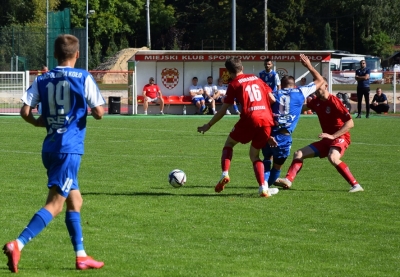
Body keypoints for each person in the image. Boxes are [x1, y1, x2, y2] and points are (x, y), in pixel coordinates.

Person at [3, 34, 105, 273]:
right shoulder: (83, 77)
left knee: (75, 200)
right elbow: (100, 112)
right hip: (68, 149)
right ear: (77, 54)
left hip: (50, 147)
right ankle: (17, 243)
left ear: (55, 55)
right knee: (55, 205)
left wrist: (41, 124)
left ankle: (81, 256)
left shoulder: (43, 78)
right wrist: (89, 111)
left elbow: (25, 111)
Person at [197, 57, 277, 198]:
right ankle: (262, 188)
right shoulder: (257, 79)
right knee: (255, 155)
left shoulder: (234, 84)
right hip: (266, 120)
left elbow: (222, 110)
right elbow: (272, 99)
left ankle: (225, 174)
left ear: (228, 72)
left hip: (250, 118)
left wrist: (208, 125)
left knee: (229, 143)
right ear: (242, 67)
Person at [274, 76, 364, 193]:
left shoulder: (335, 102)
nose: (316, 89)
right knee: (299, 154)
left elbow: (350, 123)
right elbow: (301, 108)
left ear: (326, 86)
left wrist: (333, 136)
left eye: (319, 86)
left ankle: (356, 185)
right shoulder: (316, 102)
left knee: (333, 157)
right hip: (326, 139)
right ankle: (288, 180)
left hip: (340, 137)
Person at [262, 54, 325, 188]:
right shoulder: (300, 92)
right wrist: (308, 65)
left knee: (267, 159)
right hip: (284, 137)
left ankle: (263, 185)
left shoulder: (274, 94)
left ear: (282, 85)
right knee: (277, 167)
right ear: (294, 85)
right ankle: (266, 186)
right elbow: (320, 80)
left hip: (269, 134)